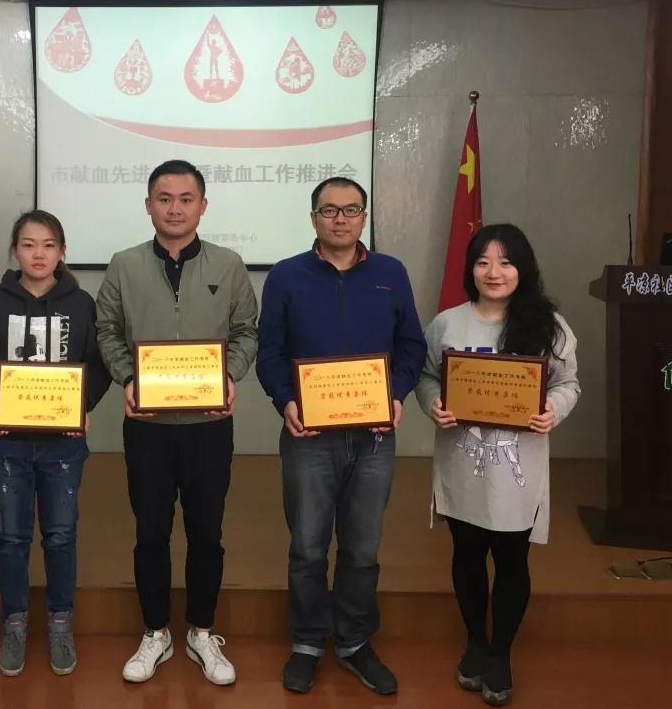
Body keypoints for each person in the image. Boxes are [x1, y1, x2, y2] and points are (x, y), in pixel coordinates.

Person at [256, 177, 427, 696]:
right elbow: (269, 351)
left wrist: (396, 395)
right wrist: (285, 400)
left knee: (362, 547)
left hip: (374, 436)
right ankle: (308, 640)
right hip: (308, 435)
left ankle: (353, 641)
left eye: (351, 210)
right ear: (313, 218)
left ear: (364, 217)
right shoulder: (287, 275)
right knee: (308, 546)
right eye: (329, 210)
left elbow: (412, 345)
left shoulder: (390, 273)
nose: (340, 219)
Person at [96, 159, 258, 687]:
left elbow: (246, 331)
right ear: (148, 205)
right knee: (151, 532)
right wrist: (127, 378)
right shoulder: (123, 265)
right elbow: (106, 331)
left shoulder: (229, 264)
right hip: (148, 425)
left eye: (186, 199)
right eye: (164, 199)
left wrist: (231, 374)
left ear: (202, 206)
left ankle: (201, 631)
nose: (174, 209)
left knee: (207, 531)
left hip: (208, 424)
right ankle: (156, 631)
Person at [415, 223, 580, 706]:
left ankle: (501, 651)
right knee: (466, 555)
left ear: (522, 269)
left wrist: (553, 409)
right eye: (483, 261)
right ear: (470, 269)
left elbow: (568, 384)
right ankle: (475, 641)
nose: (494, 272)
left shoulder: (549, 326)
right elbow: (425, 376)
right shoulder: (448, 323)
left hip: (517, 470)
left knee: (512, 560)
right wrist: (433, 403)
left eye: (506, 262)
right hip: (462, 465)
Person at [0, 210, 111, 678]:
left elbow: (99, 365)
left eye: (48, 245)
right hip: (7, 442)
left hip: (62, 443)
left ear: (62, 251)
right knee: (11, 537)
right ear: (15, 251)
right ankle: (13, 622)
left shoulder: (82, 305)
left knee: (61, 534)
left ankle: (60, 622)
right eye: (28, 245)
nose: (38, 254)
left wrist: (84, 403)